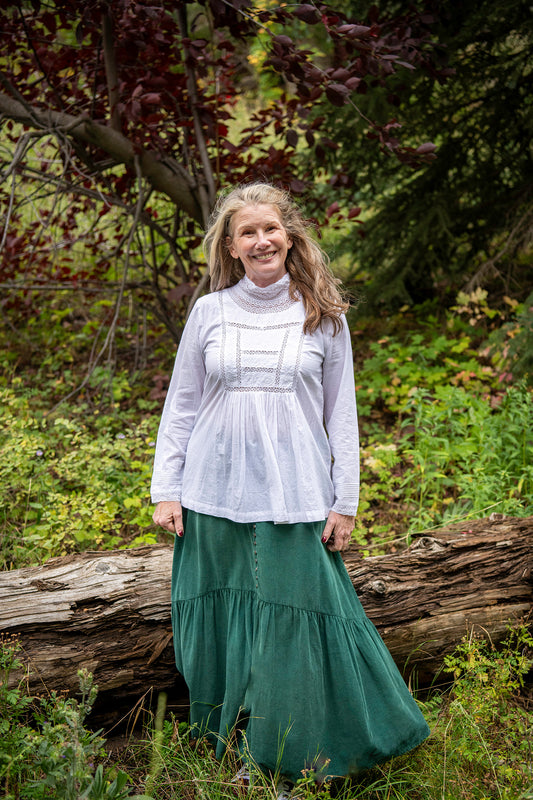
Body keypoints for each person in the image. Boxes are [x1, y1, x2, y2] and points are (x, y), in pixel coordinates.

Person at [151, 183, 430, 791]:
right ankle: (231, 744)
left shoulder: (321, 315)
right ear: (230, 245)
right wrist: (165, 489)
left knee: (298, 619)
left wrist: (346, 501)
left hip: (296, 494)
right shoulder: (210, 313)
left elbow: (342, 416)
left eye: (270, 229)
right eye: (246, 232)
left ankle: (296, 757)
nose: (261, 241)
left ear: (290, 235)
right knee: (226, 618)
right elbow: (182, 406)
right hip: (212, 493)